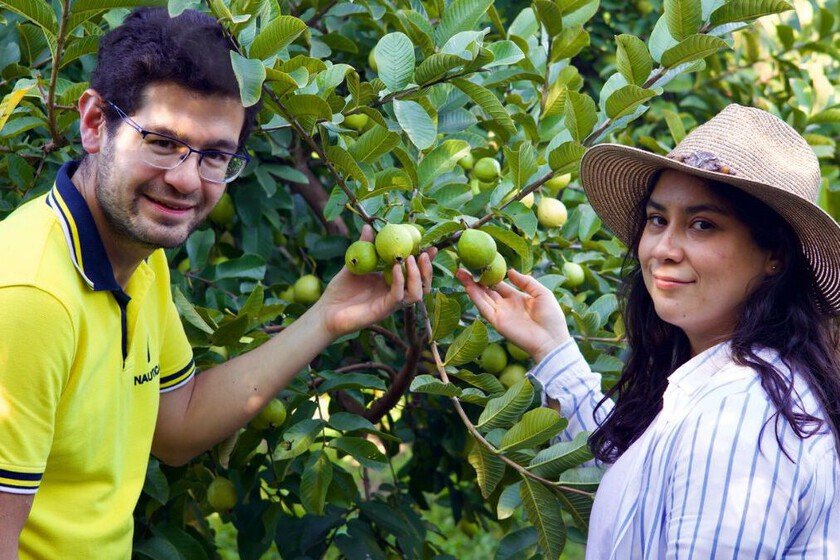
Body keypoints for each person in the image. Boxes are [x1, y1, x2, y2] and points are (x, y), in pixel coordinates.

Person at [0, 8, 435, 559]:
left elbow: (177, 426)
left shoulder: (136, 254)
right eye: (160, 141)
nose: (185, 180)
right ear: (93, 124)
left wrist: (327, 315)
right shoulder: (29, 301)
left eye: (214, 156)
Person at [458, 104, 840, 558]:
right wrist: (551, 346)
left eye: (702, 224)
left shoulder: (737, 412)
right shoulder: (730, 386)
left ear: (773, 255)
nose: (662, 248)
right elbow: (640, 481)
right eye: (658, 219)